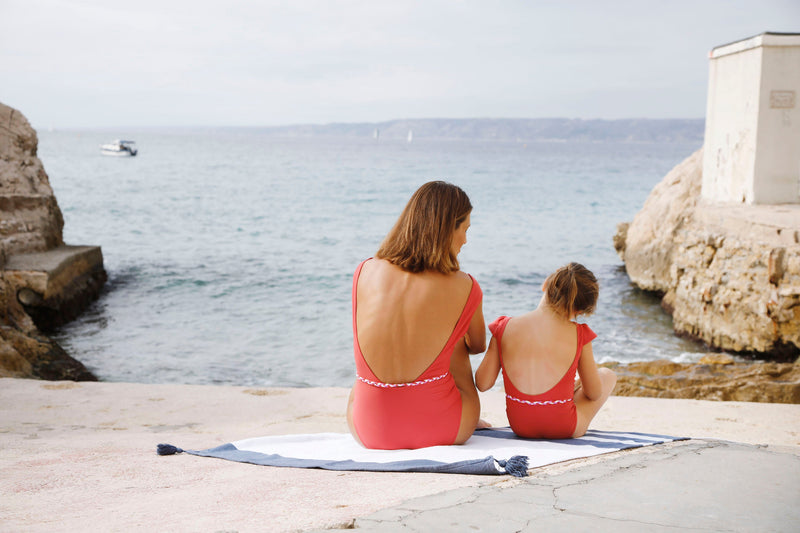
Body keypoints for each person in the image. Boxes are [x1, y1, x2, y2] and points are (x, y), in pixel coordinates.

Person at [346, 181, 486, 449]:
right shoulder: (465, 284)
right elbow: (478, 346)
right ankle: (442, 405)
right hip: (444, 428)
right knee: (455, 341)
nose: (466, 240)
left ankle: (396, 407)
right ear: (447, 229)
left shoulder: (365, 270)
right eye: (464, 229)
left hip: (368, 429)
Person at [475, 263, 616, 439]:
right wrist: (578, 385)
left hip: (521, 426)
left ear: (545, 284)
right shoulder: (579, 334)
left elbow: (483, 383)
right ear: (580, 310)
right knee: (607, 375)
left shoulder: (504, 328)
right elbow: (594, 393)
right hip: (563, 426)